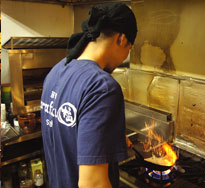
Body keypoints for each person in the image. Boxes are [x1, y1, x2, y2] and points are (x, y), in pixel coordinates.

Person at [40, 2, 137, 188]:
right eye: (129, 49)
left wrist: (106, 138)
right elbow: (93, 184)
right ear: (122, 39)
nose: (124, 57)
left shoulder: (58, 69)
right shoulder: (102, 87)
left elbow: (68, 132)